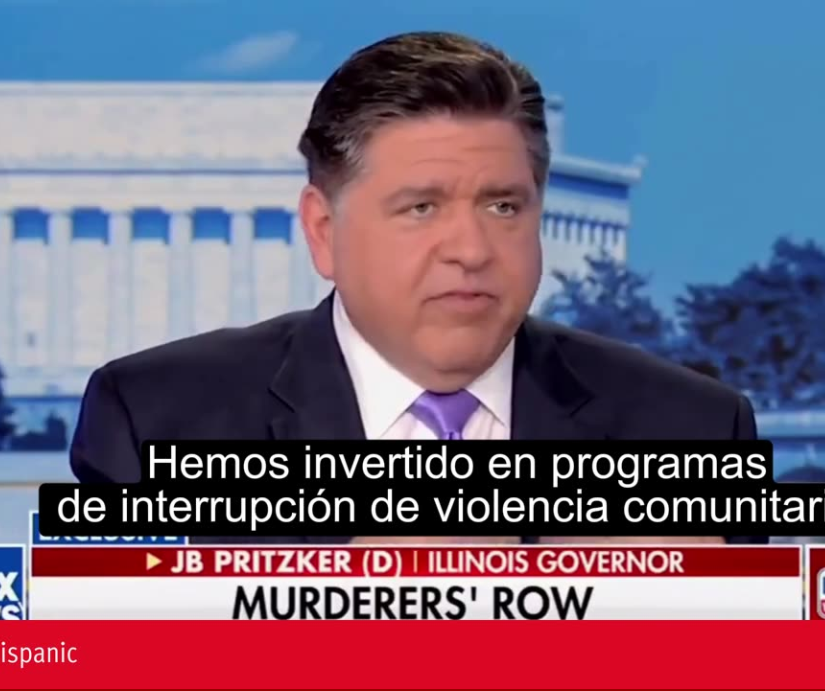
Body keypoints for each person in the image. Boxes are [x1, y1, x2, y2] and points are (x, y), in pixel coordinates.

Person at [70, 31, 765, 546]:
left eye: (503, 206)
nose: (470, 250)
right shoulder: (154, 420)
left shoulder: (693, 431)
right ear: (323, 231)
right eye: (420, 207)